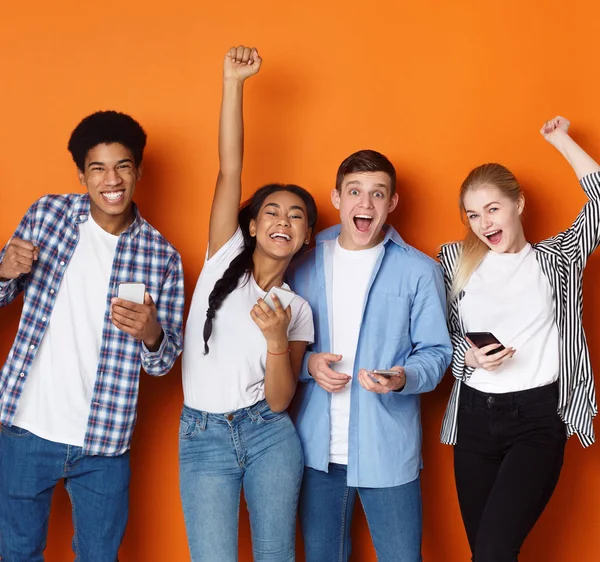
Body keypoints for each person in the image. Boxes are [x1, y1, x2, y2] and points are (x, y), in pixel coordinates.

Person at [0, 110, 185, 561]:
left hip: (104, 442)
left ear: (138, 170)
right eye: (98, 168)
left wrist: (152, 332)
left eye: (122, 166)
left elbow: (163, 362)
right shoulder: (48, 214)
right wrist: (3, 271)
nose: (112, 179)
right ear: (82, 175)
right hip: (25, 426)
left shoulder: (162, 256)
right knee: (16, 551)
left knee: (100, 556)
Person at [438, 116, 600, 561]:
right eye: (472, 214)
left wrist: (562, 141)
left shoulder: (557, 259)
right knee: (487, 555)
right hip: (473, 418)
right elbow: (441, 338)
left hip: (535, 420)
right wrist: (468, 358)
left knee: (492, 553)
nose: (483, 223)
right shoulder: (455, 260)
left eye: (492, 208)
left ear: (518, 204)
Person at [179, 45, 317, 562]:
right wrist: (233, 83)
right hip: (202, 434)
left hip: (269, 436)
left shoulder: (297, 309)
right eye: (273, 212)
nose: (284, 220)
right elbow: (228, 167)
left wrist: (278, 341)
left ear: (305, 237)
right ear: (252, 226)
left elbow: (281, 402)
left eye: (297, 216)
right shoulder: (222, 257)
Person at [286, 149, 452, 562]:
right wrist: (308, 365)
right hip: (314, 453)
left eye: (378, 194)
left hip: (388, 449)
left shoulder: (418, 270)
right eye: (355, 191)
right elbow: (280, 344)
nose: (365, 203)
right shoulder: (301, 264)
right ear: (336, 198)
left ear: (392, 203)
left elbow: (436, 352)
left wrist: (403, 377)